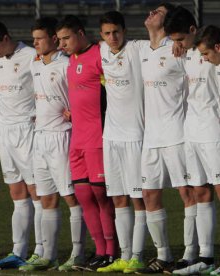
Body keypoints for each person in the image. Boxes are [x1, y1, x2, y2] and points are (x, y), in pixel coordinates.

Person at [17, 17, 85, 272]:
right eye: (33, 38)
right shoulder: (35, 64)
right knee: (46, 199)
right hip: (40, 138)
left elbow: (81, 95)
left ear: (53, 39)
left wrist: (75, 114)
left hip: (63, 137)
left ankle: (77, 254)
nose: (35, 42)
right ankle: (49, 254)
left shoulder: (67, 64)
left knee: (71, 197)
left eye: (39, 38)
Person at [136, 3, 195, 274]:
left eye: (157, 11)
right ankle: (164, 255)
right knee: (149, 195)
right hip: (151, 137)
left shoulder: (179, 50)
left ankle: (192, 254)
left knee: (187, 193)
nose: (151, 13)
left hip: (177, 133)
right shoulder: (140, 50)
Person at [0, 20, 43, 269]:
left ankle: (41, 250)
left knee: (37, 193)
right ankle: (18, 250)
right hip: (4, 130)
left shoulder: (30, 56)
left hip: (27, 130)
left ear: (6, 38)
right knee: (16, 193)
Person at [56, 14, 117, 272]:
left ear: (81, 33)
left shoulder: (101, 54)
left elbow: (113, 90)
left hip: (97, 137)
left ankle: (112, 252)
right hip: (77, 137)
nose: (62, 44)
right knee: (82, 194)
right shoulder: (70, 60)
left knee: (100, 194)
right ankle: (99, 250)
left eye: (66, 38)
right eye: (59, 40)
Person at [165, 7, 220, 275]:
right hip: (192, 133)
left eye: (179, 40)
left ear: (192, 31)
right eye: (173, 41)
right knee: (200, 192)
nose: (176, 46)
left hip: (214, 133)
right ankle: (207, 256)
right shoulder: (183, 54)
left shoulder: (211, 53)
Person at [96, 11, 147, 274]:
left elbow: (163, 42)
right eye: (107, 33)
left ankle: (138, 255)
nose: (112, 37)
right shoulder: (101, 51)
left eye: (116, 31)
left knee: (139, 199)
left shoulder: (138, 49)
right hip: (111, 137)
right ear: (101, 35)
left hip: (135, 136)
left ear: (124, 31)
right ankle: (124, 256)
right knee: (118, 198)